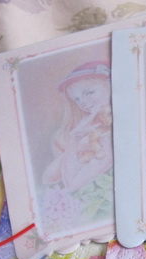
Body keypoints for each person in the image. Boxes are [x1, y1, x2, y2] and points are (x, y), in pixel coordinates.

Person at [43, 61, 113, 193]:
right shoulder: (92, 128)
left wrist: (74, 139)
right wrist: (75, 139)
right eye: (77, 99)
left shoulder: (108, 135)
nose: (83, 103)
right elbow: (49, 176)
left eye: (89, 92)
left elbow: (72, 185)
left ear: (109, 85)